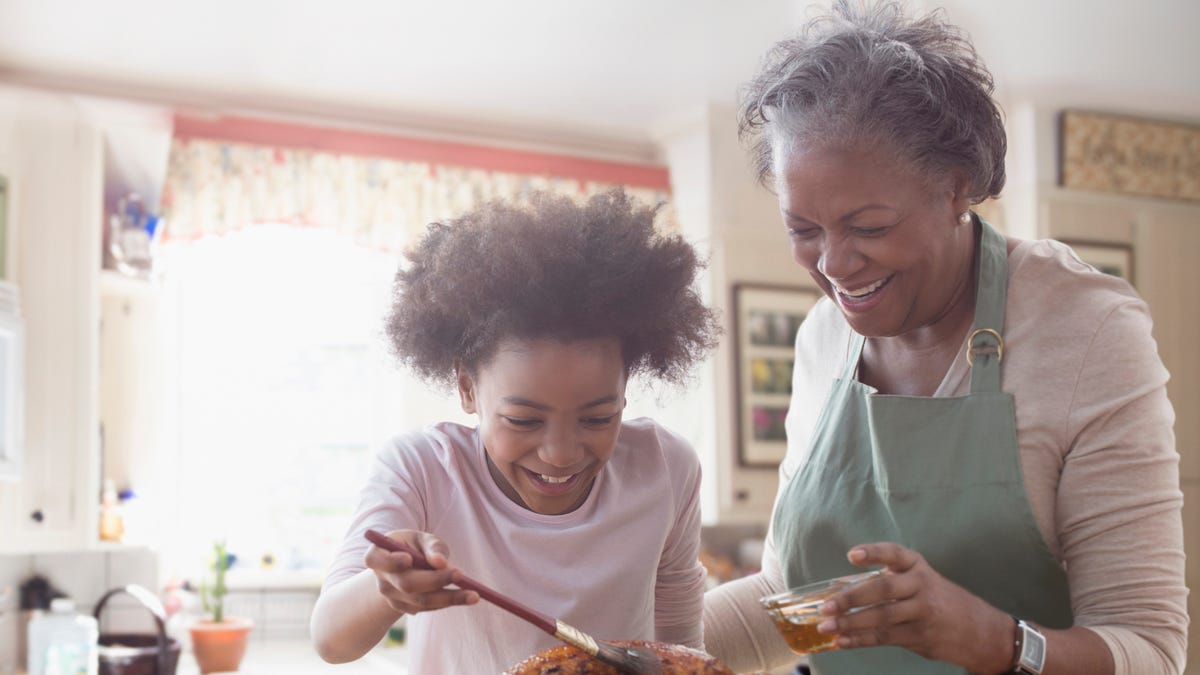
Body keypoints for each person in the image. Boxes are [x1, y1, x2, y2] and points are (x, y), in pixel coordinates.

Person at [702, 2, 1188, 674]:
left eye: (868, 227)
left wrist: (997, 640)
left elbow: (1152, 649)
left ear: (958, 188)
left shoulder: (1086, 330)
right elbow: (796, 600)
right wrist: (629, 636)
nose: (834, 264)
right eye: (803, 229)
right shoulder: (822, 340)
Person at [309, 189, 720, 673]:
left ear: (626, 388)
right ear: (466, 389)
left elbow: (680, 650)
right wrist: (387, 588)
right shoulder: (421, 469)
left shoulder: (665, 467)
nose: (562, 454)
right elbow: (331, 640)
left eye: (597, 418)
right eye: (523, 420)